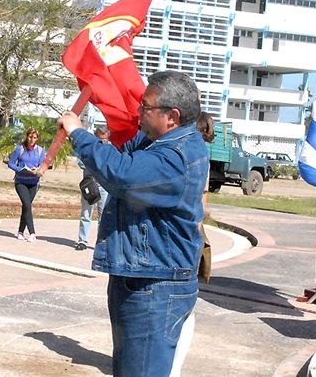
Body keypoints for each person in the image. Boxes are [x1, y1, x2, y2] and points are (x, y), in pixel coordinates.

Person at [58, 70, 208, 376]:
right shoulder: (159, 142)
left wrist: (77, 133)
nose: (139, 111)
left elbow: (121, 173)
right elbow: (120, 150)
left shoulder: (176, 155)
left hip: (155, 287)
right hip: (144, 278)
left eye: (146, 107)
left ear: (172, 116)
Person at [169, 110, 216, 377]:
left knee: (182, 306)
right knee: (185, 304)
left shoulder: (191, 156)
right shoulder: (202, 158)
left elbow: (200, 200)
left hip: (185, 236)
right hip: (192, 233)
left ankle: (172, 368)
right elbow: (203, 202)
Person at [8, 127, 46, 242]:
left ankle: (20, 231)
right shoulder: (20, 149)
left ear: (37, 139)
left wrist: (37, 170)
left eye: (34, 137)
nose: (31, 140)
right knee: (27, 204)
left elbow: (43, 165)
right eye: (30, 137)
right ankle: (32, 233)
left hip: (33, 182)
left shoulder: (40, 151)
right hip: (21, 181)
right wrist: (19, 169)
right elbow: (11, 163)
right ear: (26, 136)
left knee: (26, 206)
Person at [75, 126, 110, 251]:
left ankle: (101, 242)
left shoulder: (110, 148)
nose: (103, 142)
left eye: (105, 139)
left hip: (104, 186)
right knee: (86, 213)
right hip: (89, 184)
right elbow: (80, 161)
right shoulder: (88, 147)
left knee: (103, 216)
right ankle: (82, 240)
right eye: (100, 139)